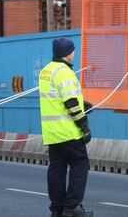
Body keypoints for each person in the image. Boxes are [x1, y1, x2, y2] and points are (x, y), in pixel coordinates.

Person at [39, 38, 93, 217]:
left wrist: (81, 103)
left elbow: (57, 98)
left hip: (52, 132)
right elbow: (70, 102)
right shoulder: (65, 72)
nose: (74, 53)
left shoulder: (46, 71)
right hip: (67, 131)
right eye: (73, 50)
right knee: (80, 163)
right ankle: (72, 205)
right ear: (68, 53)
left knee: (57, 169)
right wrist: (84, 126)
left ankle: (57, 209)